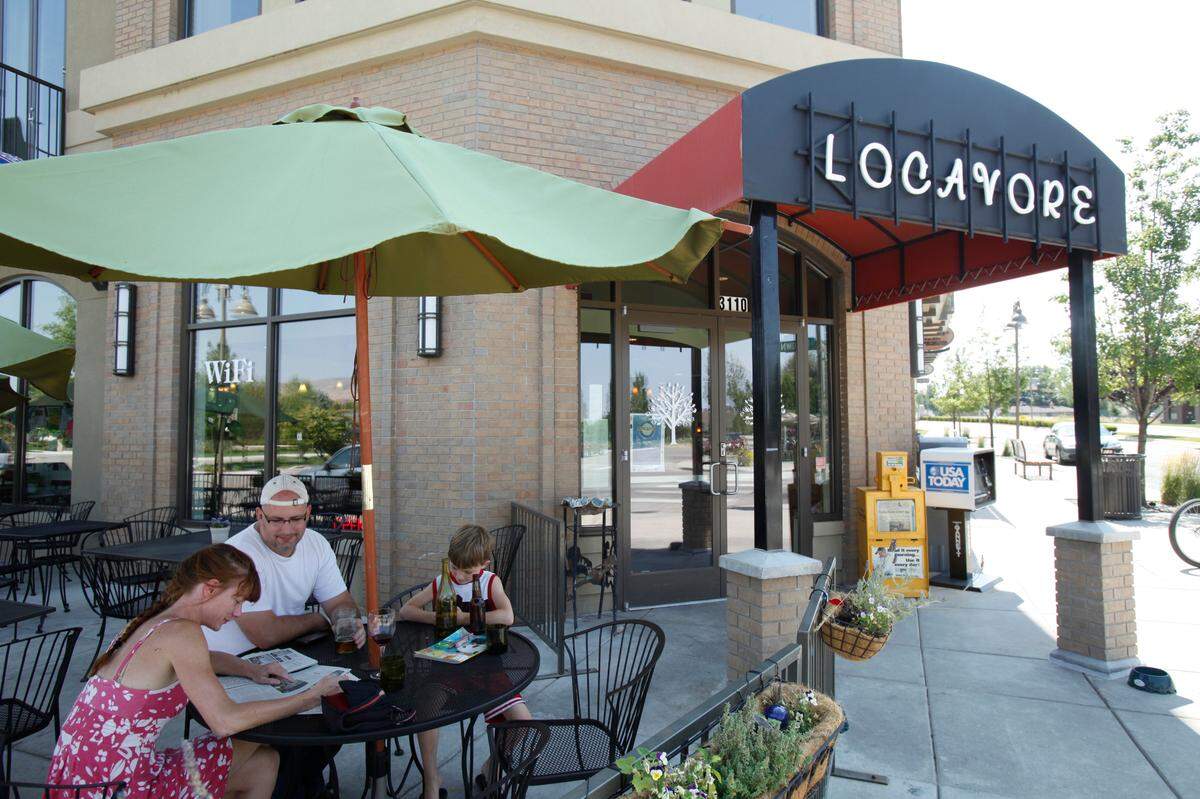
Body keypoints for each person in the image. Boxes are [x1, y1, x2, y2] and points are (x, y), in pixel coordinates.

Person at [47, 545, 342, 799]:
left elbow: (207, 659)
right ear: (210, 588)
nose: (238, 613)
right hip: (121, 786)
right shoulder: (183, 633)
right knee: (252, 743)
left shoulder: (152, 622)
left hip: (81, 780)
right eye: (237, 600)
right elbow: (225, 722)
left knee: (263, 763)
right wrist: (309, 697)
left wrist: (251, 669)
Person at [205, 473, 365, 799]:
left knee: (344, 707)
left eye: (295, 519)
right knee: (312, 717)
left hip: (283, 659)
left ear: (308, 514)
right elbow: (264, 633)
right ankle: (300, 786)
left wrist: (347, 621)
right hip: (229, 667)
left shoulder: (316, 543)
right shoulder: (239, 554)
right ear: (259, 516)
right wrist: (319, 620)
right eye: (276, 521)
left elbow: (341, 602)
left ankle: (301, 783)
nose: (287, 530)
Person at [397, 524, 532, 799]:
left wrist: (460, 618)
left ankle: (492, 764)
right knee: (426, 706)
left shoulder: (489, 581)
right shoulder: (444, 580)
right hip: (449, 666)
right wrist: (439, 617)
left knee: (523, 722)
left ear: (483, 565)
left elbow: (507, 616)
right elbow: (406, 610)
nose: (458, 575)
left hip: (486, 668)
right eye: (455, 567)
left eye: (466, 572)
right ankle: (431, 780)